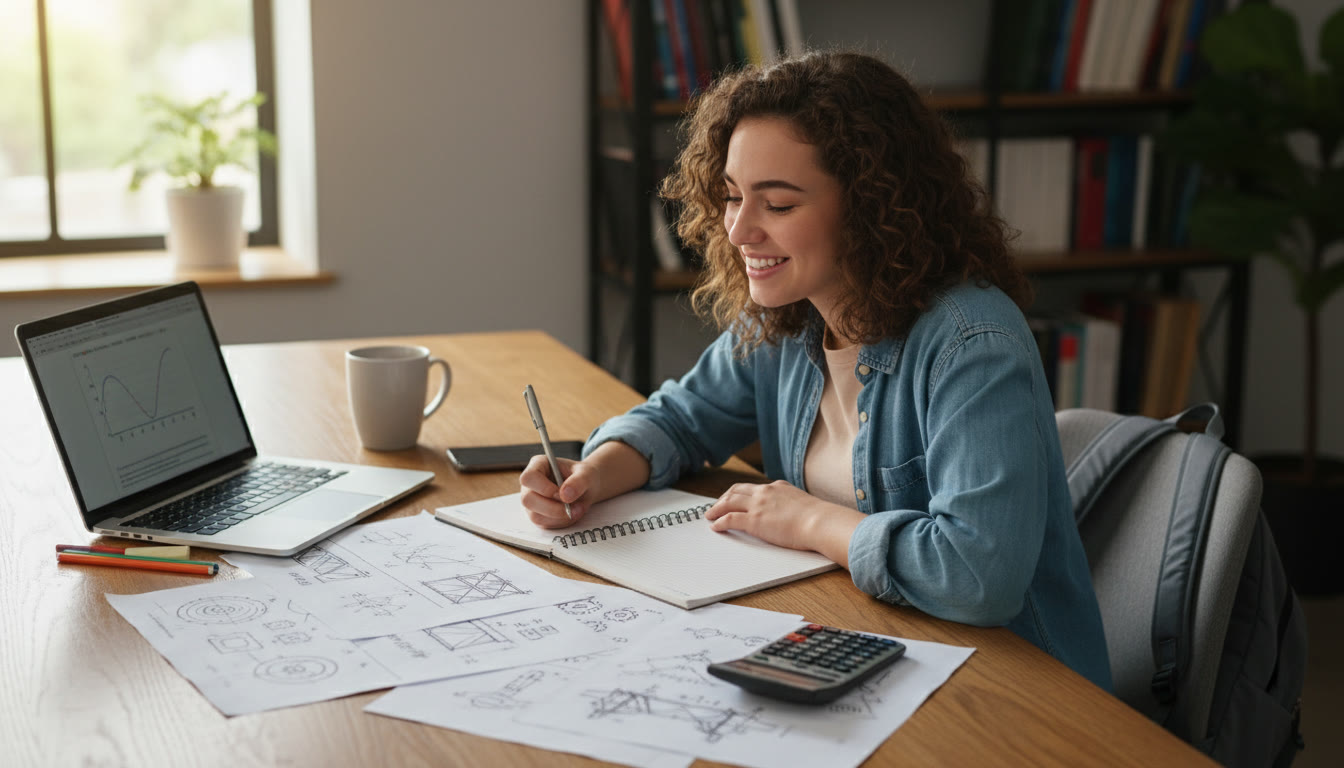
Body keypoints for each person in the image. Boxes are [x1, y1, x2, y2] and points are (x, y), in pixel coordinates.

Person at [520, 51, 1111, 689]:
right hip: (876, 647)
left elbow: (977, 579)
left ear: (869, 206)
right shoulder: (785, 318)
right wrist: (591, 476)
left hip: (1018, 690)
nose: (741, 229)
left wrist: (807, 521)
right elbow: (680, 420)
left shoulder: (973, 342)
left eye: (777, 205)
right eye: (731, 197)